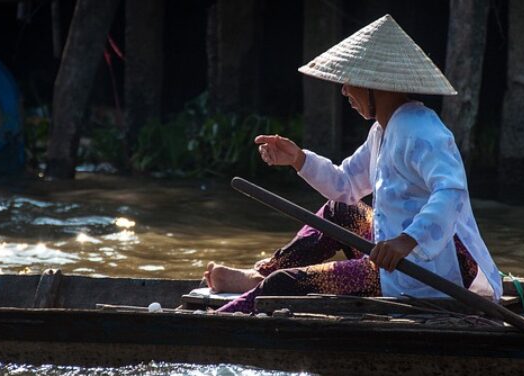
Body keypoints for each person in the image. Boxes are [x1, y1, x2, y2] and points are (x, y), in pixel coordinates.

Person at [204, 14, 503, 313]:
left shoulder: (423, 130)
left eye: (350, 82)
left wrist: (407, 240)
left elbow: (451, 192)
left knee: (284, 286)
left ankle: (222, 320)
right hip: (396, 258)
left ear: (375, 84)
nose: (344, 91)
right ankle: (261, 276)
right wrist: (298, 159)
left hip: (435, 274)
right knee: (339, 211)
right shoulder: (383, 130)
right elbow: (345, 185)